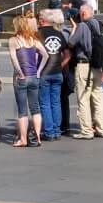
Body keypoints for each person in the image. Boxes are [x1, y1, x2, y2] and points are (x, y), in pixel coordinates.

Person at [69, 3, 103, 139]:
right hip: (99, 66)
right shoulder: (101, 24)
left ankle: (87, 131)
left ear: (82, 14)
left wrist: (74, 29)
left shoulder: (82, 26)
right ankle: (102, 128)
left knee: (83, 98)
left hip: (84, 65)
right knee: (98, 99)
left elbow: (71, 43)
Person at [10, 17, 44, 148]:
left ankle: (23, 139)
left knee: (22, 110)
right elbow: (45, 55)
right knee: (35, 108)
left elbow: (14, 60)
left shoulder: (14, 40)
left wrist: (20, 73)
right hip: (34, 77)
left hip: (22, 78)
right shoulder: (33, 40)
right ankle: (38, 137)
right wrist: (39, 71)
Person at [37, 10, 68, 142]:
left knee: (44, 103)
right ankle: (56, 130)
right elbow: (67, 54)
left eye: (39, 18)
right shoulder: (59, 34)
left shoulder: (38, 34)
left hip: (43, 72)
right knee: (56, 102)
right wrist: (61, 66)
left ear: (42, 20)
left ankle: (49, 132)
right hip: (57, 72)